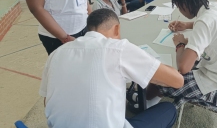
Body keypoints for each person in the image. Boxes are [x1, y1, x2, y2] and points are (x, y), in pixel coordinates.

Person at [39, 8, 184, 128]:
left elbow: (47, 102)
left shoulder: (56, 53)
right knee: (168, 109)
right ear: (117, 29)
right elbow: (177, 81)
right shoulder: (118, 49)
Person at [146, 0, 217, 110]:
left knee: (162, 78)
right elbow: (210, 26)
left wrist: (180, 44)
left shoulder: (203, 22)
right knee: (175, 73)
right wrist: (187, 25)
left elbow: (183, 67)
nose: (180, 11)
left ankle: (143, 105)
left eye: (179, 7)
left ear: (185, 4)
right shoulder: (216, 7)